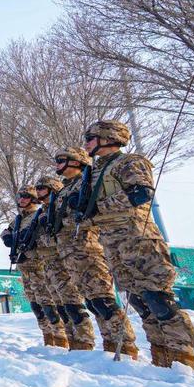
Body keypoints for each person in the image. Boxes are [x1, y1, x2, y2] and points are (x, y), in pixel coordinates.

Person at [79, 120, 194, 368]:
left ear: (107, 137)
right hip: (113, 243)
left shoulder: (129, 162)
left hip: (139, 238)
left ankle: (182, 355)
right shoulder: (96, 171)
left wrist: (99, 208)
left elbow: (141, 193)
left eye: (90, 138)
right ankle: (161, 354)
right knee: (140, 301)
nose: (87, 143)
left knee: (158, 298)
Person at [52, 147, 138, 358]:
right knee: (92, 302)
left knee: (104, 301)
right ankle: (108, 347)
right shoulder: (64, 190)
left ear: (75, 162)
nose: (57, 165)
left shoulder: (88, 181)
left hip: (88, 249)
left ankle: (124, 347)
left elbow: (89, 213)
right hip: (70, 254)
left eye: (61, 160)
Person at [34, 175, 96, 351]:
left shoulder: (59, 207)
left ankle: (85, 342)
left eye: (41, 188)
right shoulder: (42, 213)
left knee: (77, 304)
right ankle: (72, 342)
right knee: (62, 307)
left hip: (68, 257)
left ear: (52, 189)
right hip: (50, 263)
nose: (37, 192)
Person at [2, 185, 68, 348]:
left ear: (33, 199)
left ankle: (60, 338)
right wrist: (8, 237)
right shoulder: (19, 219)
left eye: (25, 196)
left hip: (39, 266)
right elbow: (5, 232)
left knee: (48, 304)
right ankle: (47, 337)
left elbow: (46, 238)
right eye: (20, 197)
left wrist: (32, 243)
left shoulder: (38, 216)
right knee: (36, 305)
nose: (21, 200)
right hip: (25, 267)